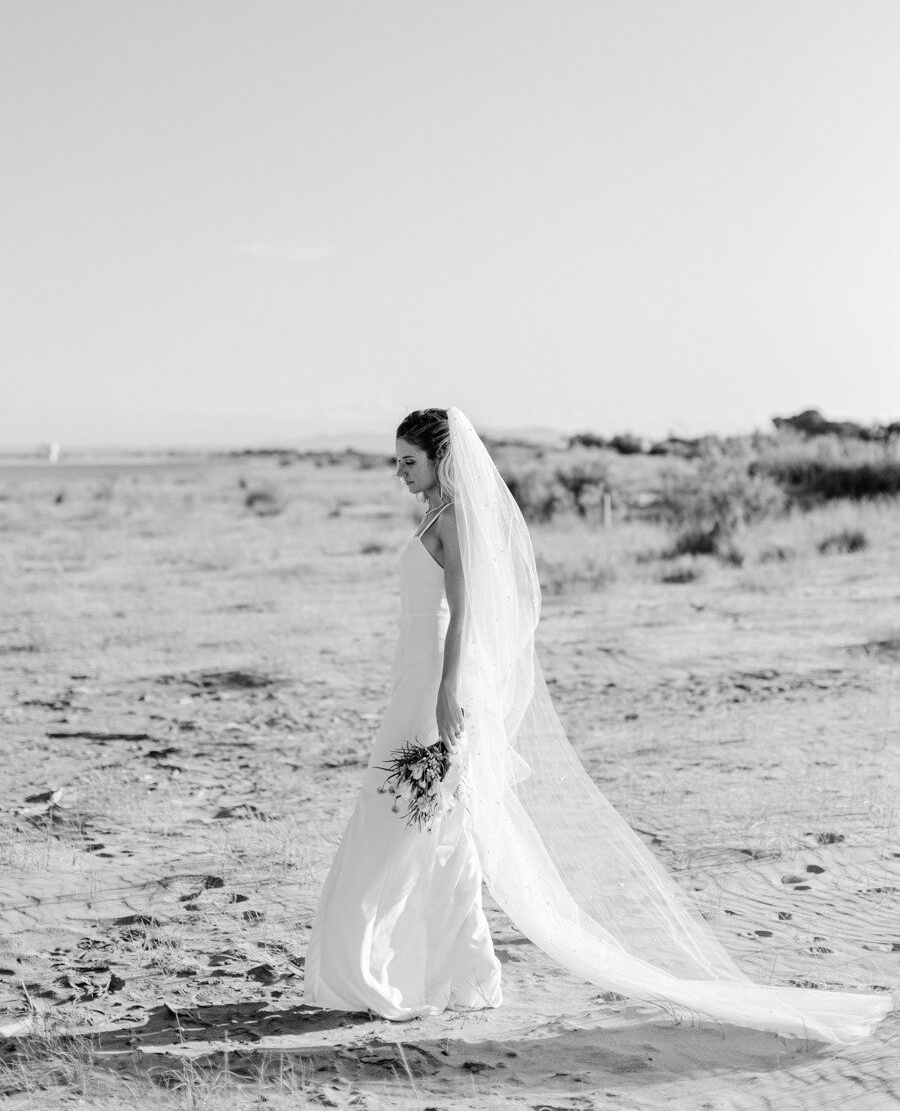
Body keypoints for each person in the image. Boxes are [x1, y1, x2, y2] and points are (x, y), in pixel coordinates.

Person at [304, 407, 891, 1044]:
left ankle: (378, 964)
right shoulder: (433, 515)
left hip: (431, 683)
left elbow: (467, 612)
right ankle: (450, 969)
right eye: (396, 461)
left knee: (395, 811)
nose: (399, 473)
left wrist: (447, 690)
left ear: (442, 460)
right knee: (431, 820)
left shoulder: (457, 520)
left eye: (409, 462)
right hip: (411, 670)